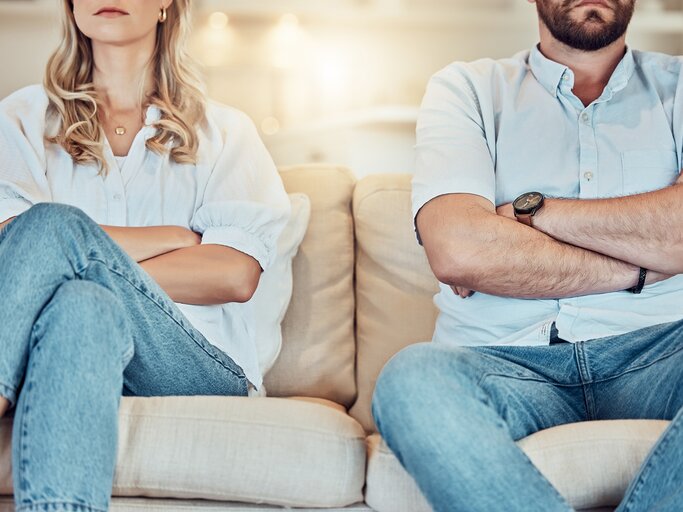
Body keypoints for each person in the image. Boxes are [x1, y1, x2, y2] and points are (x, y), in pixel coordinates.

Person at [372, 0, 683, 510]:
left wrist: (530, 214)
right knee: (412, 378)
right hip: (508, 362)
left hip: (660, 354)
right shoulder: (467, 89)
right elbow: (459, 250)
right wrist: (647, 263)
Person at [0, 0, 289, 509]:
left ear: (165, 5)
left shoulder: (226, 131)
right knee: (83, 304)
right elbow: (10, 250)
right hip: (64, 340)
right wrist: (174, 236)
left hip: (195, 360)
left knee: (49, 229)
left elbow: (232, 272)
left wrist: (67, 252)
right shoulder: (20, 117)